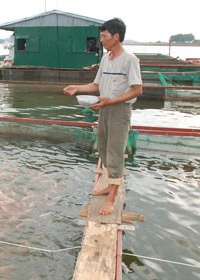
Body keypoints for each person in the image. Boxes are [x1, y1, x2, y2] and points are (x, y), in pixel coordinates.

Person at [63, 18, 143, 215]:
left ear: (116, 37)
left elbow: (137, 90)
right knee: (103, 148)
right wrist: (77, 88)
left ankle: (112, 197)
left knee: (115, 152)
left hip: (119, 110)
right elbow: (96, 86)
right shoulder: (106, 59)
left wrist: (111, 101)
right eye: (102, 37)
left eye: (105, 37)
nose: (102, 41)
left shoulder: (129, 59)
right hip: (104, 108)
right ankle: (110, 185)